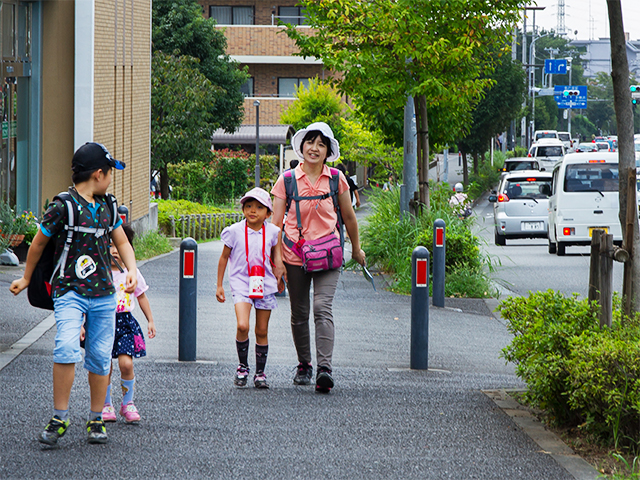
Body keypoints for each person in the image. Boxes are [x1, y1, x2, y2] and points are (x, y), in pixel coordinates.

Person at [9, 142, 137, 446]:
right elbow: (38, 243)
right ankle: (60, 416)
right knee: (66, 346)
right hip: (69, 291)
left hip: (104, 293)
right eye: (109, 174)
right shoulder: (63, 206)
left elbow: (122, 242)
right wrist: (26, 278)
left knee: (99, 355)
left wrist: (131, 270)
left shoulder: (108, 206)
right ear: (98, 174)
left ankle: (96, 418)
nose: (110, 181)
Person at [271, 122, 366, 393]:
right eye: (310, 142)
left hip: (328, 254)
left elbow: (349, 217)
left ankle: (325, 369)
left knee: (322, 307)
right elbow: (275, 224)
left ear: (327, 152)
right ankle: (305, 364)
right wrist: (276, 260)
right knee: (299, 312)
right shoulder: (286, 180)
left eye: (321, 144)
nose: (314, 148)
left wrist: (357, 249)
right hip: (294, 254)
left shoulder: (337, 179)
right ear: (301, 147)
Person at [216, 187, 283, 389]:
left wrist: (280, 274)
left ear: (268, 213)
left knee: (262, 330)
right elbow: (224, 257)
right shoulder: (234, 231)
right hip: (241, 283)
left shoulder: (273, 231)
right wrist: (219, 285)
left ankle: (260, 373)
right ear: (243, 209)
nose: (253, 211)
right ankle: (242, 366)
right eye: (249, 206)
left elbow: (277, 257)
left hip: (266, 284)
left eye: (259, 207)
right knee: (242, 326)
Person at [99, 224, 156, 424]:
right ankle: (106, 404)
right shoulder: (99, 272)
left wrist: (150, 320)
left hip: (124, 323)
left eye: (119, 246)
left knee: (126, 363)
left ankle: (128, 403)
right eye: (110, 245)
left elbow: (141, 297)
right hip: (102, 322)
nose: (115, 250)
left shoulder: (131, 273)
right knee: (104, 366)